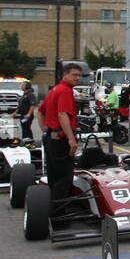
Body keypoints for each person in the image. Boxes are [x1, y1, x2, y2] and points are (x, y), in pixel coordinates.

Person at [40, 64, 82, 205]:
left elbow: (40, 111)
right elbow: (62, 114)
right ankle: (58, 214)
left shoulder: (54, 90)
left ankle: (51, 209)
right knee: (64, 177)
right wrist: (71, 139)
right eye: (74, 75)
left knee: (54, 176)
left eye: (79, 75)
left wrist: (45, 130)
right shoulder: (65, 91)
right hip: (60, 139)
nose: (78, 78)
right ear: (65, 74)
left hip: (51, 138)